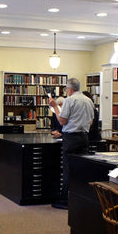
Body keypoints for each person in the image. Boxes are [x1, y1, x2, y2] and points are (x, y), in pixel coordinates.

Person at [48, 78, 94, 209]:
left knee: (68, 169)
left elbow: (62, 121)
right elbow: (91, 121)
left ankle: (65, 200)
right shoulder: (88, 100)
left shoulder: (70, 100)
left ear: (69, 89)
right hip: (84, 137)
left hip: (71, 138)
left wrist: (55, 107)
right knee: (81, 169)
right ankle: (80, 197)